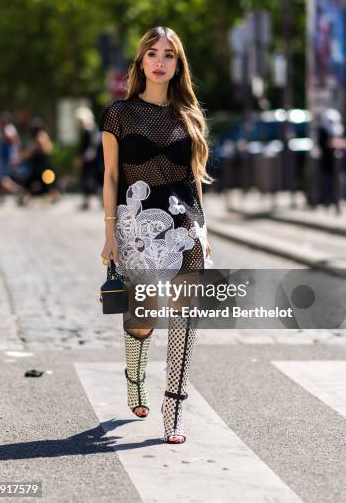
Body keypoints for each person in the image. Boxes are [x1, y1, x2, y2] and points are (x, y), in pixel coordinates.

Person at [100, 26, 213, 444]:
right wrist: (109, 232)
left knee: (185, 313)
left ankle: (174, 407)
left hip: (185, 222)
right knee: (143, 316)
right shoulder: (119, 114)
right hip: (137, 221)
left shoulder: (189, 114)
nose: (160, 61)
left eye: (169, 54)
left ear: (177, 64)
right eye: (153, 53)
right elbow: (110, 176)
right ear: (141, 62)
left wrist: (205, 230)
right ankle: (135, 375)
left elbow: (194, 178)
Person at [75, 107, 100, 210]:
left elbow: (84, 147)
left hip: (88, 159)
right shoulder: (95, 128)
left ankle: (88, 199)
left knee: (87, 178)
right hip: (95, 159)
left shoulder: (87, 131)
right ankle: (90, 199)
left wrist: (81, 158)